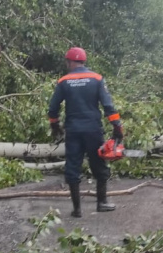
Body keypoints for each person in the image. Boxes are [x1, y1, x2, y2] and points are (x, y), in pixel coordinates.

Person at [47, 46, 124, 218]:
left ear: (69, 61)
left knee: (73, 166)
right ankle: (102, 203)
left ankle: (77, 209)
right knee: (99, 163)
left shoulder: (63, 81)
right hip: (93, 129)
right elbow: (108, 106)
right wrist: (117, 127)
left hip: (73, 130)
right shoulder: (96, 79)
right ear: (83, 61)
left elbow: (53, 108)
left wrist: (55, 126)